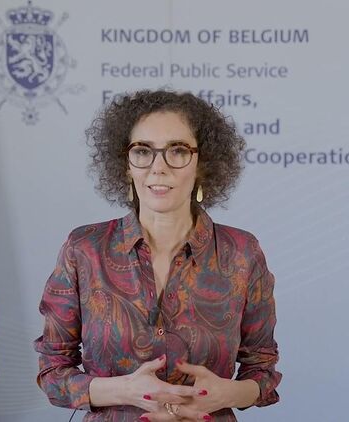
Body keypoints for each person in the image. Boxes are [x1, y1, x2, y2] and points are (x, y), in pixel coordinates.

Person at [34, 90, 281, 421]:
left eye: (178, 151)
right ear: (126, 165)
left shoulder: (241, 253)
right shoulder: (84, 249)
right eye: (142, 151)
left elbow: (262, 370)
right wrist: (126, 390)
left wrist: (227, 393)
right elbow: (52, 373)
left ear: (202, 164)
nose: (159, 167)